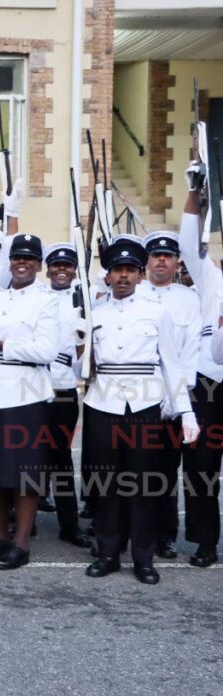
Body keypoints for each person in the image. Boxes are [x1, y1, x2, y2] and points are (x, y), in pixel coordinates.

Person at [82, 239, 199, 585]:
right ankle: (107, 552)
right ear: (108, 275)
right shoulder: (94, 314)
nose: (123, 276)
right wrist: (78, 344)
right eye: (117, 270)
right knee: (106, 483)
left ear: (139, 274)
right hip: (102, 403)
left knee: (143, 486)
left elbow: (172, 365)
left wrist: (186, 414)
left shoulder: (155, 311)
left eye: (129, 270)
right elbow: (81, 366)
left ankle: (143, 557)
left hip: (144, 406)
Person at [0, 233, 59, 570]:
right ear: (10, 263)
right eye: (17, 258)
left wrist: (1, 344)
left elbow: (47, 350)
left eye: (29, 259)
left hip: (26, 392)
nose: (22, 263)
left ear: (38, 265)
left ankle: (20, 542)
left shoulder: (47, 300)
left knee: (25, 473)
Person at [138, 231, 200, 559]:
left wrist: (178, 399)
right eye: (155, 255)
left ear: (177, 262)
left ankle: (164, 535)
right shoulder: (132, 293)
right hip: (136, 398)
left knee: (163, 474)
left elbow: (190, 352)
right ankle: (131, 533)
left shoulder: (188, 299)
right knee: (131, 471)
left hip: (171, 403)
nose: (161, 260)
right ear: (146, 261)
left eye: (168, 256)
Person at [177, 171, 223, 568]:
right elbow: (187, 242)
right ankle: (206, 542)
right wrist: (195, 189)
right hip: (209, 384)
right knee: (201, 468)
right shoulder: (211, 276)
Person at [42, 243, 93, 548]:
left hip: (62, 387)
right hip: (31, 387)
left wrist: (81, 342)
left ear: (75, 269)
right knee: (28, 457)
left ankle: (69, 525)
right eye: (56, 265)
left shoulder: (84, 301)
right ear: (47, 269)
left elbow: (82, 362)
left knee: (60, 459)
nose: (62, 270)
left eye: (68, 265)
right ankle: (23, 519)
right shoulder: (37, 297)